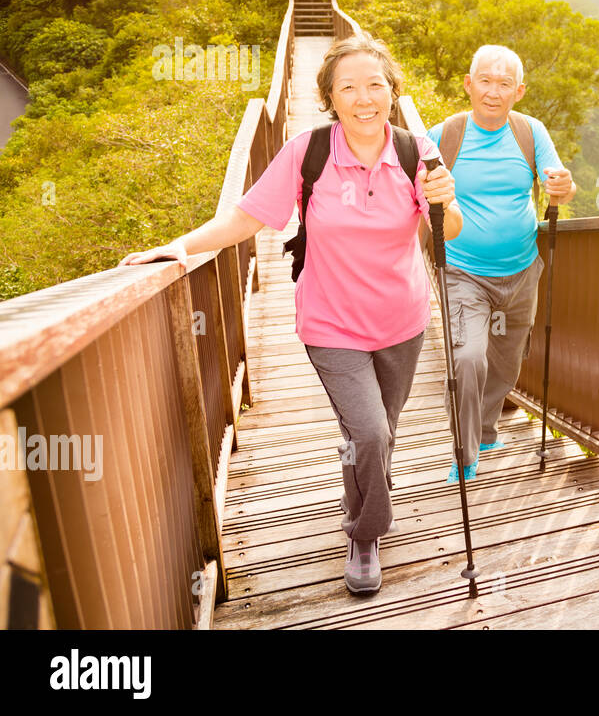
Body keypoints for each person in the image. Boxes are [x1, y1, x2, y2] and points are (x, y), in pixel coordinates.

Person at [119, 33, 460, 596]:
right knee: (371, 432)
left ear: (393, 92)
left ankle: (360, 483)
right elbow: (248, 218)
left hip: (404, 321)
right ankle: (366, 532)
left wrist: (449, 199)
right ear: (329, 96)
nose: (364, 97)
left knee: (377, 433)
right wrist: (181, 247)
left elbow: (444, 235)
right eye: (348, 87)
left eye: (375, 84)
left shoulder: (416, 153)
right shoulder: (309, 152)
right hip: (331, 323)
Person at [427, 44, 575, 482]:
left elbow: (560, 186)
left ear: (519, 91)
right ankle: (465, 450)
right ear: (469, 85)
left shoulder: (531, 132)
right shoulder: (443, 136)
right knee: (469, 356)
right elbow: (415, 195)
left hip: (522, 270)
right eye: (485, 81)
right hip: (461, 271)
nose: (494, 92)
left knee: (508, 362)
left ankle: (488, 428)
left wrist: (563, 187)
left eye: (504, 83)